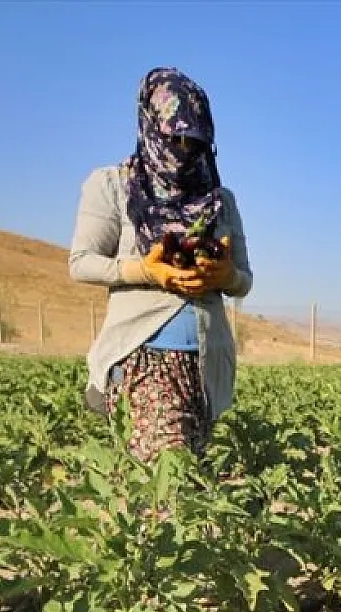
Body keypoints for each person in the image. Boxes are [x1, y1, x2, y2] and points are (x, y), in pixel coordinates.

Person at [69, 67, 253, 462]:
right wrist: (147, 271)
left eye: (194, 141)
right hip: (142, 356)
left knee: (178, 486)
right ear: (151, 126)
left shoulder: (219, 199)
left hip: (205, 364)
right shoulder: (113, 185)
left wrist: (226, 276)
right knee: (172, 490)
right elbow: (82, 262)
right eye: (176, 138)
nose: (184, 149)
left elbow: (243, 279)